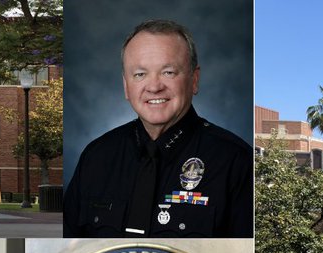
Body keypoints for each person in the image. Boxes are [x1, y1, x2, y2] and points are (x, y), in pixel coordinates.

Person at [64, 19, 251, 238]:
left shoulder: (236, 162)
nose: (154, 87)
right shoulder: (96, 157)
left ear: (194, 80)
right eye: (140, 74)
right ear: (126, 86)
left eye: (169, 72)